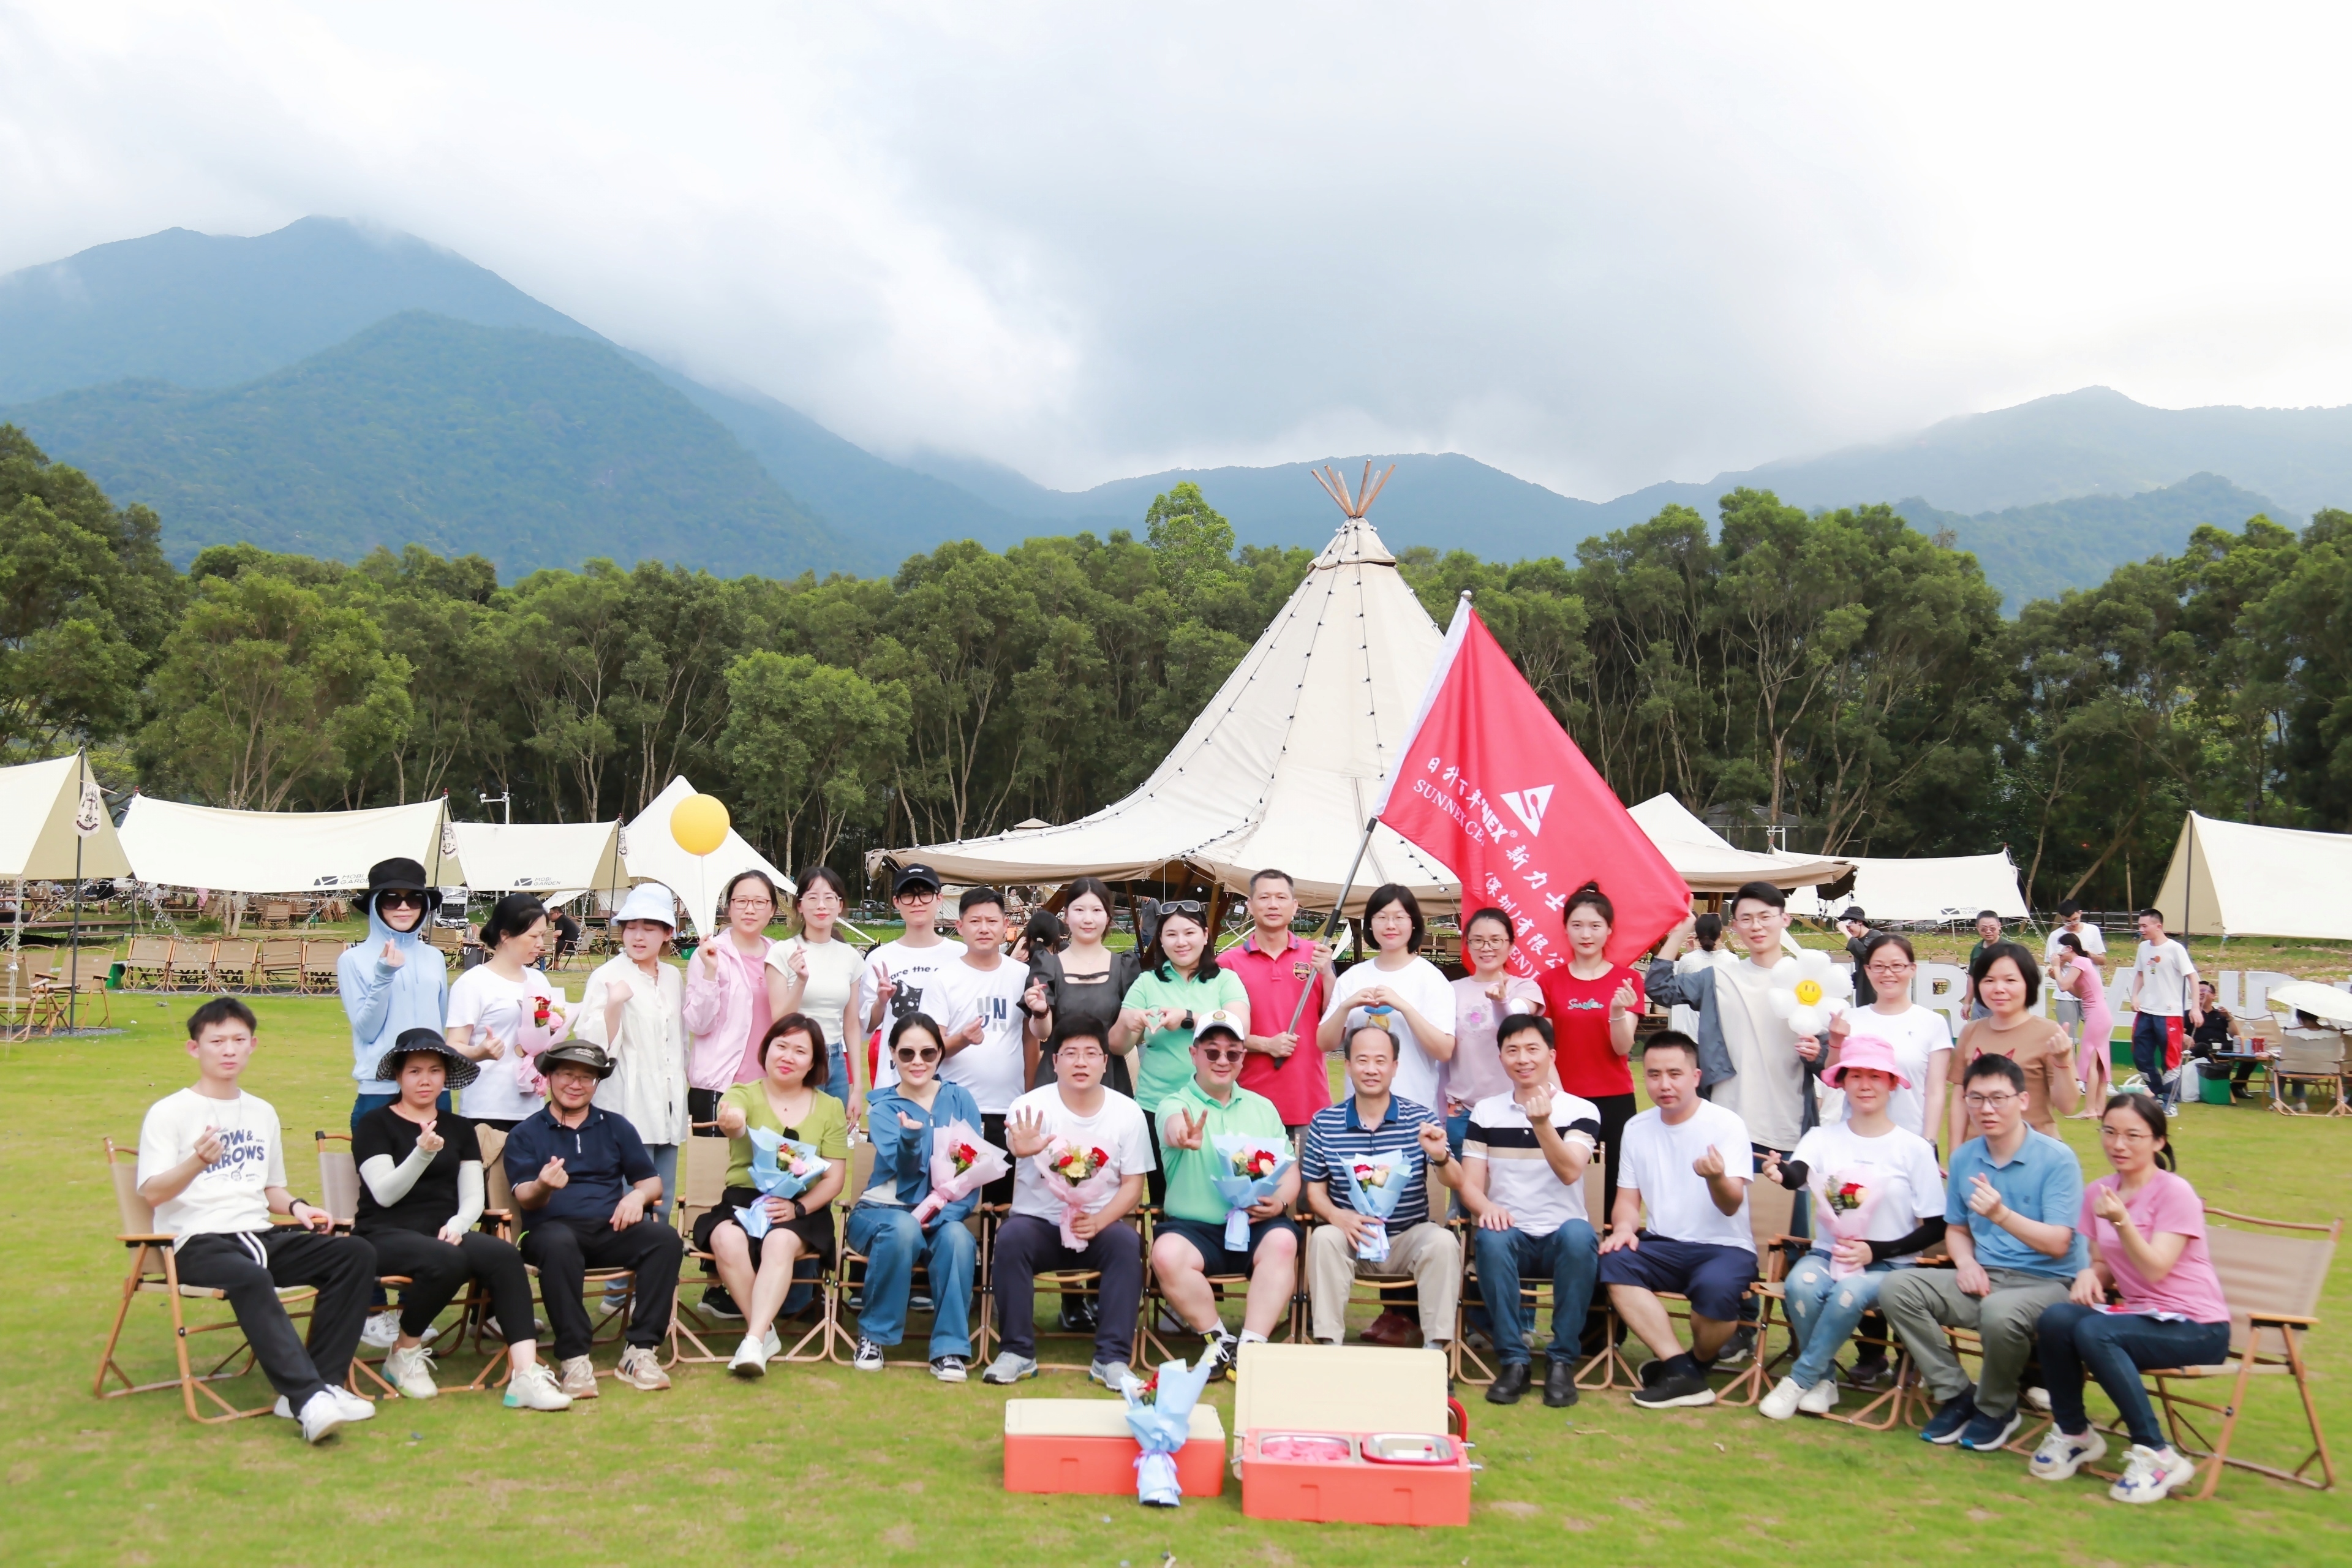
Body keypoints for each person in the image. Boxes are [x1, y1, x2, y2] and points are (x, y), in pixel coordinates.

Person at [136, 998, 380, 1444]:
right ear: (195, 1049)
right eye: (217, 1041)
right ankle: (308, 1399)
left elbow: (271, 1189)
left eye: (238, 1040)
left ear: (253, 1045)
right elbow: (152, 1193)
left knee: (354, 1252)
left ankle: (321, 1384)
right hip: (196, 1243)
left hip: (259, 1234)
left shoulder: (262, 1112)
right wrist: (195, 1162)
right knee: (249, 1276)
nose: (228, 1050)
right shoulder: (169, 1113)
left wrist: (301, 1208)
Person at [2027, 1094, 2234, 1504]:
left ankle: (2157, 1455)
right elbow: (2102, 1260)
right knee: (2056, 1320)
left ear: (2158, 1141)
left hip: (2199, 1328)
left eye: (2132, 1136)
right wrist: (2089, 1271)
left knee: (2096, 1332)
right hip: (2141, 1318)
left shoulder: (2175, 1193)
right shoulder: (2100, 1191)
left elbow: (2156, 1267)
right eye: (2110, 1132)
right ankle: (2074, 1433)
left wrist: (2122, 1222)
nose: (2118, 1145)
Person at [350, 1029, 571, 1411]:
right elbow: (384, 1193)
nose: (425, 1080)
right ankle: (403, 1353)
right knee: (447, 1258)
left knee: (504, 1255)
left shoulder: (457, 1128)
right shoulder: (375, 1125)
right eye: (415, 1071)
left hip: (443, 1232)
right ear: (399, 1076)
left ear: (445, 1076)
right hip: (383, 1234)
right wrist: (421, 1154)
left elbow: (472, 1195)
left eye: (434, 1071)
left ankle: (525, 1374)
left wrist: (458, 1224)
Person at [1880, 1053, 2087, 1452]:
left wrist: (2001, 1214)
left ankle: (1996, 1409)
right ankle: (1957, 1394)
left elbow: (2059, 1243)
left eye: (1998, 1098)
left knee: (1999, 1312)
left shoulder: (2057, 1158)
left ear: (2022, 1100)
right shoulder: (1965, 1157)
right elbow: (1957, 1228)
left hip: (2049, 1284)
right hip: (1988, 1279)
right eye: (1976, 1099)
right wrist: (1966, 1261)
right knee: (1897, 1287)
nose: (1986, 1109)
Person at [1755, 1035, 1945, 1420]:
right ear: (1841, 1082)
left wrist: (1875, 1251)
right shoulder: (1823, 1138)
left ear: (1892, 1084)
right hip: (1830, 1253)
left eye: (1876, 1076)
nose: (1865, 1084)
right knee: (1801, 1285)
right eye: (1855, 1075)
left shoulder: (1915, 1149)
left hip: (1891, 1266)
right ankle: (1824, 1381)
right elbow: (1798, 1175)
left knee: (1850, 1293)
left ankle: (1799, 1379)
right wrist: (1779, 1171)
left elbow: (1936, 1227)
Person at [502, 1042, 680, 1396]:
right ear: (550, 1077)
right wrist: (543, 1185)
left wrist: (637, 1195)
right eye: (567, 1074)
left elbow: (650, 1180)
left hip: (610, 1228)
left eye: (586, 1077)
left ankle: (641, 1351)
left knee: (665, 1239)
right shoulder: (526, 1133)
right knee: (559, 1241)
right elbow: (524, 1196)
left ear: (597, 1083)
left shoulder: (616, 1127)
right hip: (548, 1233)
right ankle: (574, 1357)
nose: (576, 1084)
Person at [982, 1026, 1155, 1388]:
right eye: (1071, 1053)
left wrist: (1099, 1222)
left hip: (1099, 1225)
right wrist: (1022, 1149)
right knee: (1011, 1238)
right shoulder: (1030, 1107)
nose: (1081, 1062)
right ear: (1055, 1062)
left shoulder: (1127, 1112)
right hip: (1040, 1225)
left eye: (1091, 1054)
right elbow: (1015, 1144)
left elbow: (1133, 1186)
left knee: (1127, 1245)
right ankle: (1016, 1352)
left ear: (1105, 1063)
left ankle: (1112, 1359)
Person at [1596, 1032, 1759, 1409]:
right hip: (1663, 1243)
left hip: (1725, 1247)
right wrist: (1623, 1228)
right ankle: (1678, 1365)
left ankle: (1694, 1367)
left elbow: (1732, 1205)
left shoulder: (1726, 1124)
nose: (1664, 1085)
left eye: (1675, 1073)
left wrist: (1716, 1178)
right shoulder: (1637, 1128)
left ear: (1696, 1076)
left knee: (1716, 1288)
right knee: (1614, 1260)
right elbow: (1626, 1200)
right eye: (1654, 1075)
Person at [1150, 1009, 1302, 1379]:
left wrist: (1280, 1202)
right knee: (1166, 1253)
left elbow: (1290, 1168)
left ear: (1242, 1058)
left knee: (1284, 1240)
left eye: (1232, 1053)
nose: (1222, 1061)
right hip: (1194, 1229)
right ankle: (1219, 1341)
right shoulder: (1175, 1104)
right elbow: (1173, 1129)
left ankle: (1251, 1346)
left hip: (1256, 1223)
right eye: (1212, 1051)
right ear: (1194, 1054)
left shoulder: (1262, 1108)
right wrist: (1183, 1136)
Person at [698, 1014, 851, 1378]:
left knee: (780, 1243)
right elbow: (732, 1117)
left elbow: (834, 1178)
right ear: (766, 1050)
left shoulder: (830, 1107)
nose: (788, 1056)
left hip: (802, 1207)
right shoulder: (744, 1092)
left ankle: (753, 1340)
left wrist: (798, 1207)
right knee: (725, 1236)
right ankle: (761, 1334)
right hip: (743, 1199)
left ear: (813, 1063)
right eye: (781, 1046)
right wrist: (733, 1121)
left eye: (801, 1051)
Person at [1461, 1014, 1602, 1408]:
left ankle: (1561, 1361)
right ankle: (1514, 1361)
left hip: (1561, 1237)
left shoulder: (1581, 1111)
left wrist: (1542, 1124)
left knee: (1579, 1234)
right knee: (1490, 1236)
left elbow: (1570, 1170)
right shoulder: (1485, 1113)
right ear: (1501, 1057)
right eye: (1512, 1050)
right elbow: (1470, 1185)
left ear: (1551, 1055)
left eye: (1532, 1049)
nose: (1523, 1059)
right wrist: (1488, 1207)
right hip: (1513, 1235)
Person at [1301, 1023, 1461, 1352]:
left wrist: (1441, 1156)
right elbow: (1314, 1191)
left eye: (1380, 1060)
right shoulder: (1325, 1122)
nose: (1371, 1070)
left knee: (1443, 1242)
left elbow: (1454, 1182)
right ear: (1346, 1066)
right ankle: (1328, 1347)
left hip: (1406, 1236)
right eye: (1361, 1060)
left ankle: (1436, 1353)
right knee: (1323, 1237)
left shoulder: (1420, 1118)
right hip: (1351, 1237)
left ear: (1394, 1067)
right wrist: (1338, 1217)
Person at [845, 1012, 983, 1380]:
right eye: (907, 1054)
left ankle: (950, 1348)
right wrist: (910, 1139)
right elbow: (907, 1173)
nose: (917, 1062)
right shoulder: (885, 1107)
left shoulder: (960, 1098)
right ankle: (873, 1335)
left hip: (944, 1215)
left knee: (957, 1238)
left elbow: (974, 1172)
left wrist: (948, 1216)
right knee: (904, 1228)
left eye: (927, 1052)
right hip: (882, 1212)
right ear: (892, 1054)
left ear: (940, 1054)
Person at [919, 887, 1052, 1205]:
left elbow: (1030, 1040)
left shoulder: (1022, 975)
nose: (984, 928)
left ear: (1006, 925)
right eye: (974, 921)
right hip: (957, 1110)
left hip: (1008, 1109)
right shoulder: (944, 979)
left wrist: (1030, 1096)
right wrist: (962, 1039)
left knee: (1002, 1202)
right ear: (960, 926)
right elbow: (929, 1052)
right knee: (955, 1200)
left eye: (991, 921)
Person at [1116, 898, 1251, 1203]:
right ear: (1160, 940)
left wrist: (1188, 1017)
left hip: (1216, 1105)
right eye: (1171, 934)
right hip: (1155, 1106)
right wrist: (1129, 1023)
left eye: (1189, 933)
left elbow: (1240, 1028)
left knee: (1222, 1193)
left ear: (1205, 936)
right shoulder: (1147, 982)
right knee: (1164, 1198)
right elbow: (1118, 1045)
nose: (1181, 942)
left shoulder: (1224, 980)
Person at [576, 883, 690, 1221]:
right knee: (627, 1201)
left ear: (668, 933)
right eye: (631, 927)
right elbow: (594, 1046)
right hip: (626, 1104)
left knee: (663, 1200)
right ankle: (619, 1276)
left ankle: (657, 1273)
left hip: (668, 1103)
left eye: (649, 928)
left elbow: (679, 1040)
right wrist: (613, 1005)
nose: (638, 937)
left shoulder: (671, 976)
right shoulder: (607, 976)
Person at [1533, 884, 1642, 1223]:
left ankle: (1613, 1265)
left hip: (1616, 1098)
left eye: (1595, 926)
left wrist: (1617, 1012)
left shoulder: (1628, 980)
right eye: (1577, 925)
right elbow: (1545, 1050)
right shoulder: (1549, 982)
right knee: (1565, 1184)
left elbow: (1623, 1048)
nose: (1586, 934)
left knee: (1617, 1188)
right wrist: (1561, 1097)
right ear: (1565, 928)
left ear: (1609, 930)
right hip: (1566, 1098)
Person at [1315, 882, 1455, 1125]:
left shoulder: (1430, 978)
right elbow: (1324, 1042)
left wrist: (1405, 1007)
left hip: (1414, 1112)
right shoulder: (1353, 977)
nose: (1390, 925)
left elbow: (1444, 1051)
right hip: (1358, 1114)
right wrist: (1346, 1006)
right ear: (1370, 924)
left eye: (1399, 917)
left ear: (1414, 923)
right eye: (1382, 917)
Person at [337, 857, 451, 1131]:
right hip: (380, 1092)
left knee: (441, 1173)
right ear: (376, 904)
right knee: (379, 1174)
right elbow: (367, 1030)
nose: (403, 907)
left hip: (433, 1092)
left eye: (414, 899)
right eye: (391, 899)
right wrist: (384, 975)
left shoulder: (434, 957)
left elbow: (440, 1022)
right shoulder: (353, 959)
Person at [1223, 868, 1338, 1136]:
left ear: (1295, 906)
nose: (1273, 905)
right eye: (1264, 898)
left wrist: (1328, 975)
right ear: (1250, 906)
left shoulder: (1316, 956)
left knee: (1310, 1179)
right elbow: (1219, 1033)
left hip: (1309, 1102)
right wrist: (1266, 1044)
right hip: (1248, 1103)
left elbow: (1333, 1023)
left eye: (1281, 898)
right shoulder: (1227, 964)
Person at [446, 893, 568, 1133]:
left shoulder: (538, 979)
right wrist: (478, 1052)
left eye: (543, 935)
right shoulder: (473, 983)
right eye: (533, 936)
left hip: (532, 1108)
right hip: (486, 1110)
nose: (540, 944)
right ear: (505, 936)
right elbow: (453, 1047)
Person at [684, 869, 793, 1125]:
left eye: (759, 902)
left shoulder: (780, 955)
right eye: (741, 901)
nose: (750, 910)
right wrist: (710, 972)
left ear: (773, 909)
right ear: (729, 908)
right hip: (720, 1085)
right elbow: (699, 1024)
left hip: (770, 1085)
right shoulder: (711, 954)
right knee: (714, 1165)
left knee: (767, 1164)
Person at [1949, 941, 2079, 1149]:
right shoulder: (1970, 1032)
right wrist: (1956, 1154)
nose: (1999, 989)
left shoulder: (2049, 1033)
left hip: (2035, 1155)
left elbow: (2068, 1106)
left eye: (2010, 980)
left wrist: (2063, 1061)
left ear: (2028, 983)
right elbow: (1959, 1100)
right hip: (1980, 1154)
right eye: (1989, 980)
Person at [1827, 933, 1952, 1147]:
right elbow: (1834, 1079)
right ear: (1867, 970)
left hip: (1911, 1143)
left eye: (1897, 966)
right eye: (1879, 966)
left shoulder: (1933, 1022)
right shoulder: (1850, 1019)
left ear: (1912, 969)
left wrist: (1929, 1142)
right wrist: (1836, 1041)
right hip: (1854, 1142)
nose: (1888, 974)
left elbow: (1935, 1091)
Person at [858, 863, 968, 1096]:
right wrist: (881, 1001)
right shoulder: (878, 958)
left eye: (925, 894)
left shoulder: (960, 955)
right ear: (896, 902)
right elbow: (867, 1026)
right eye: (908, 896)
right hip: (893, 1083)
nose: (917, 902)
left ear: (939, 899)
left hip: (948, 1081)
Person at [1025, 876, 1139, 1097]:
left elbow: (1126, 1045)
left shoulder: (1125, 967)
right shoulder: (1047, 965)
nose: (1088, 919)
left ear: (1108, 917)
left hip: (1109, 1076)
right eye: (1079, 910)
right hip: (1057, 1075)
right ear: (1066, 916)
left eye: (1096, 910)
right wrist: (1040, 1012)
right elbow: (1043, 1032)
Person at [1446, 907, 1547, 1150]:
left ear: (1511, 945)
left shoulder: (1525, 988)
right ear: (1467, 945)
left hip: (1512, 1107)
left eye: (1496, 940)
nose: (1486, 947)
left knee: (1511, 1186)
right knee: (1466, 1186)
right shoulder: (1450, 990)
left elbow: (1511, 1028)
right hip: (1462, 1110)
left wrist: (1500, 1002)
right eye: (1478, 941)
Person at [771, 865, 868, 1115]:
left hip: (836, 1061)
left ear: (840, 904)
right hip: (796, 1058)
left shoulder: (851, 957)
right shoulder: (783, 952)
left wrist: (857, 1086)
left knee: (833, 1143)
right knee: (796, 1145)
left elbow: (851, 1024)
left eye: (829, 898)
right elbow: (780, 1022)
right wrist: (801, 981)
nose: (821, 906)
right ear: (800, 905)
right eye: (812, 898)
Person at [2053, 931, 2116, 1117]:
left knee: (2091, 1062)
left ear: (2069, 948)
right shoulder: (2084, 963)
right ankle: (2099, 1108)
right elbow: (2078, 993)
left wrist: (2057, 968)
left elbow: (2064, 986)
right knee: (2099, 1063)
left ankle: (2090, 1109)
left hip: (2096, 1016)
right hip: (2100, 1015)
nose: (2058, 954)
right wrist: (2057, 975)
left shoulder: (2079, 961)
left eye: (2060, 950)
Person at [1666, 912, 1731, 1044]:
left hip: (1692, 1029)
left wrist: (1690, 954)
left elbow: (1682, 983)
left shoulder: (1687, 960)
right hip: (1723, 1029)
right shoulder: (1732, 960)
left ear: (1697, 935)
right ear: (1720, 934)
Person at [2187, 978, 2252, 1101]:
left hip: (2221, 1047)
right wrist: (2185, 1036)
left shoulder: (2220, 1014)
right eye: (2197, 991)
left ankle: (2237, 1085)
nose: (2200, 993)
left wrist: (2229, 1018)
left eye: (2204, 991)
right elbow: (2178, 1031)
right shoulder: (2189, 1014)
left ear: (2213, 996)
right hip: (2200, 1048)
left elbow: (2235, 1036)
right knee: (2202, 1047)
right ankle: (2215, 1082)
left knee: (2247, 1048)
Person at [1962, 911, 2007, 1020]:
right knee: (1977, 1035)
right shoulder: (1977, 949)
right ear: (1977, 928)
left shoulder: (2010, 949)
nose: (1988, 932)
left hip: (2004, 1002)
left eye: (1992, 928)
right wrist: (1967, 1003)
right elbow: (1972, 977)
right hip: (1980, 1004)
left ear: (1999, 926)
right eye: (1984, 929)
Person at [2041, 899, 2106, 966]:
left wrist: (2085, 953)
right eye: (2068, 922)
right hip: (2067, 975)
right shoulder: (2055, 935)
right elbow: (2053, 967)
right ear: (2062, 918)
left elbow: (2102, 961)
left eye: (2076, 920)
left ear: (2080, 913)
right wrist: (2066, 957)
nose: (2073, 924)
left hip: (2091, 974)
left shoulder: (2093, 930)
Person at [1839, 907, 1879, 1007]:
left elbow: (1864, 952)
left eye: (1849, 925)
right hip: (1864, 997)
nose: (1848, 930)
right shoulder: (1858, 942)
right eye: (1846, 927)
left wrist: (1846, 932)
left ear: (1860, 922)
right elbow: (1860, 971)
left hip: (1877, 997)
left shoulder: (1875, 936)